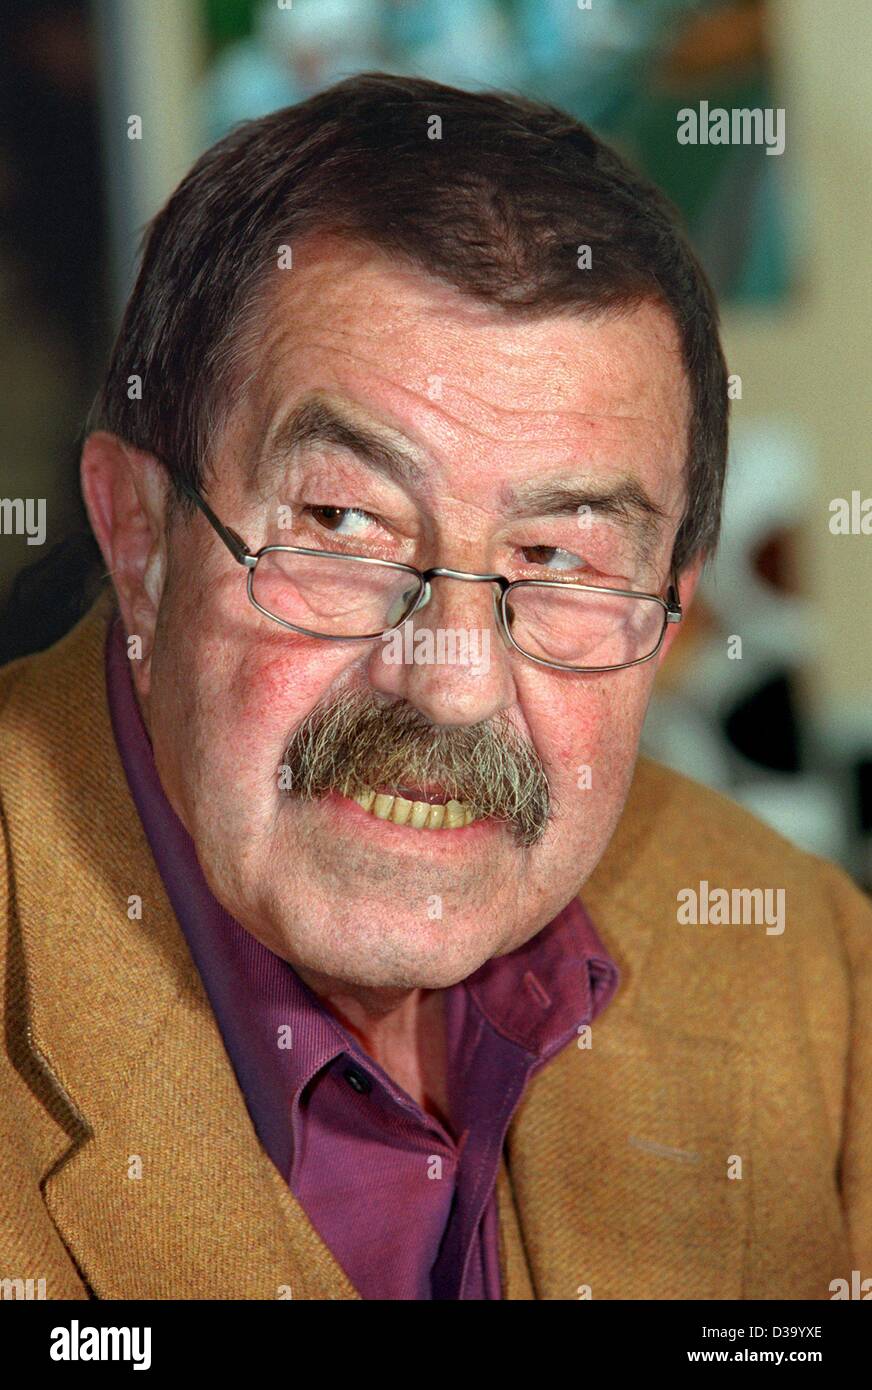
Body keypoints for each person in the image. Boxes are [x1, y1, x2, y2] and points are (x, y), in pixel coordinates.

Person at [1, 73, 869, 1301]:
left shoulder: (808, 967)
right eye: (346, 525)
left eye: (558, 559)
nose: (453, 682)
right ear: (138, 539)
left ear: (671, 615)